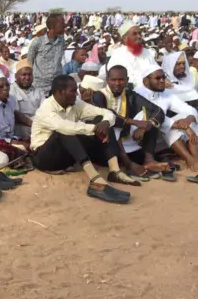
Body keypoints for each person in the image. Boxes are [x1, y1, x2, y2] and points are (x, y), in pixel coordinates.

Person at [31, 75, 134, 203]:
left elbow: (105, 113)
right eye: (73, 91)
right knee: (65, 131)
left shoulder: (75, 103)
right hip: (45, 158)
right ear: (59, 92)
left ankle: (114, 170)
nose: (77, 94)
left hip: (67, 157)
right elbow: (65, 127)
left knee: (102, 122)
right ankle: (95, 180)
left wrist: (105, 124)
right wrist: (95, 129)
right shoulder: (46, 109)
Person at [91, 65, 169, 177]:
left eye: (121, 80)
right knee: (110, 126)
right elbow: (108, 116)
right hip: (105, 144)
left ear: (127, 80)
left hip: (127, 142)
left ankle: (149, 160)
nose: (117, 83)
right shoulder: (98, 95)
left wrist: (144, 126)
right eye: (114, 80)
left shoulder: (130, 95)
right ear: (107, 80)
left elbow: (157, 111)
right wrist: (135, 123)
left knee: (150, 121)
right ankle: (129, 165)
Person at [135, 64, 198, 173]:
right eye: (157, 78)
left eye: (163, 77)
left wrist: (187, 121)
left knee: (185, 117)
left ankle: (196, 157)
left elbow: (190, 110)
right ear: (146, 81)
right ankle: (190, 159)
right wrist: (186, 128)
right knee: (165, 125)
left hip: (163, 138)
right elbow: (152, 117)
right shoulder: (138, 94)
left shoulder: (165, 94)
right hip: (144, 137)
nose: (162, 80)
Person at [0, 74, 30, 161]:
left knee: (33, 143)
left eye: (7, 85)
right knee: (16, 151)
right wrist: (11, 142)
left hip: (11, 137)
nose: (6, 88)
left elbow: (16, 116)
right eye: (1, 86)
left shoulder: (11, 99)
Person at [107, 22, 156, 89]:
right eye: (134, 34)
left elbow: (156, 70)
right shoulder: (117, 55)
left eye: (139, 33)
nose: (139, 36)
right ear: (124, 38)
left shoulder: (147, 52)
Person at [27, 14, 66, 94]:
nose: (64, 25)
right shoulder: (37, 42)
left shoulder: (61, 41)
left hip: (57, 86)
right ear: (52, 25)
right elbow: (29, 62)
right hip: (40, 87)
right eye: (61, 23)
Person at [9, 59, 44, 140]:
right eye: (24, 75)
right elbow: (17, 115)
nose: (27, 78)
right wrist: (35, 125)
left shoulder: (38, 91)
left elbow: (45, 110)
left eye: (29, 74)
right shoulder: (11, 90)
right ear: (16, 76)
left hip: (39, 123)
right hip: (22, 126)